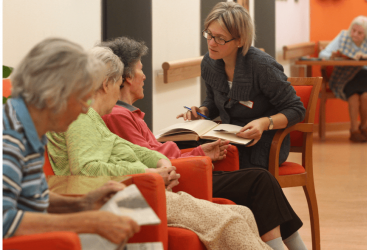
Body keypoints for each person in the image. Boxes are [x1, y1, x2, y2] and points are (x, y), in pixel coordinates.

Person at [46, 46, 276, 250]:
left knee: (241, 213)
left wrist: (160, 162)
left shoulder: (92, 117)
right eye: (118, 86)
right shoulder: (80, 117)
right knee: (230, 222)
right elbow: (85, 169)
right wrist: (148, 174)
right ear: (106, 84)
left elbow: (126, 147)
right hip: (125, 197)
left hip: (141, 190)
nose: (117, 95)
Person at [101, 37, 307, 250]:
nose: (145, 76)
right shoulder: (118, 116)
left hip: (182, 168)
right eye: (140, 70)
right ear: (125, 78)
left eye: (219, 37)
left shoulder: (128, 113)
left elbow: (152, 155)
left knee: (260, 182)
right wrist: (197, 153)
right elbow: (152, 160)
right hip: (176, 177)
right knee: (260, 181)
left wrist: (200, 150)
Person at [2, 38, 140, 244]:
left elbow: (35, 197)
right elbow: (4, 221)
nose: (86, 109)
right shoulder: (9, 141)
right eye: (82, 98)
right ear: (52, 96)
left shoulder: (29, 128)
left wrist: (82, 204)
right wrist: (87, 222)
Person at [177, 2, 306, 174]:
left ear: (240, 40)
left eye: (220, 38)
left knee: (215, 167)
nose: (212, 43)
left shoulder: (262, 66)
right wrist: (202, 110)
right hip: (227, 137)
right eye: (209, 34)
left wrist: (263, 123)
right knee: (182, 153)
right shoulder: (209, 63)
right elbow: (214, 100)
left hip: (263, 143)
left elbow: (296, 109)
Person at [318, 15, 367, 142]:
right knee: (353, 96)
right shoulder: (343, 36)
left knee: (366, 96)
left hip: (365, 75)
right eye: (353, 30)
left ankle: (363, 127)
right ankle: (353, 130)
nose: (355, 34)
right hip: (344, 76)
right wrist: (332, 55)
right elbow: (322, 54)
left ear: (366, 34)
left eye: (360, 33)